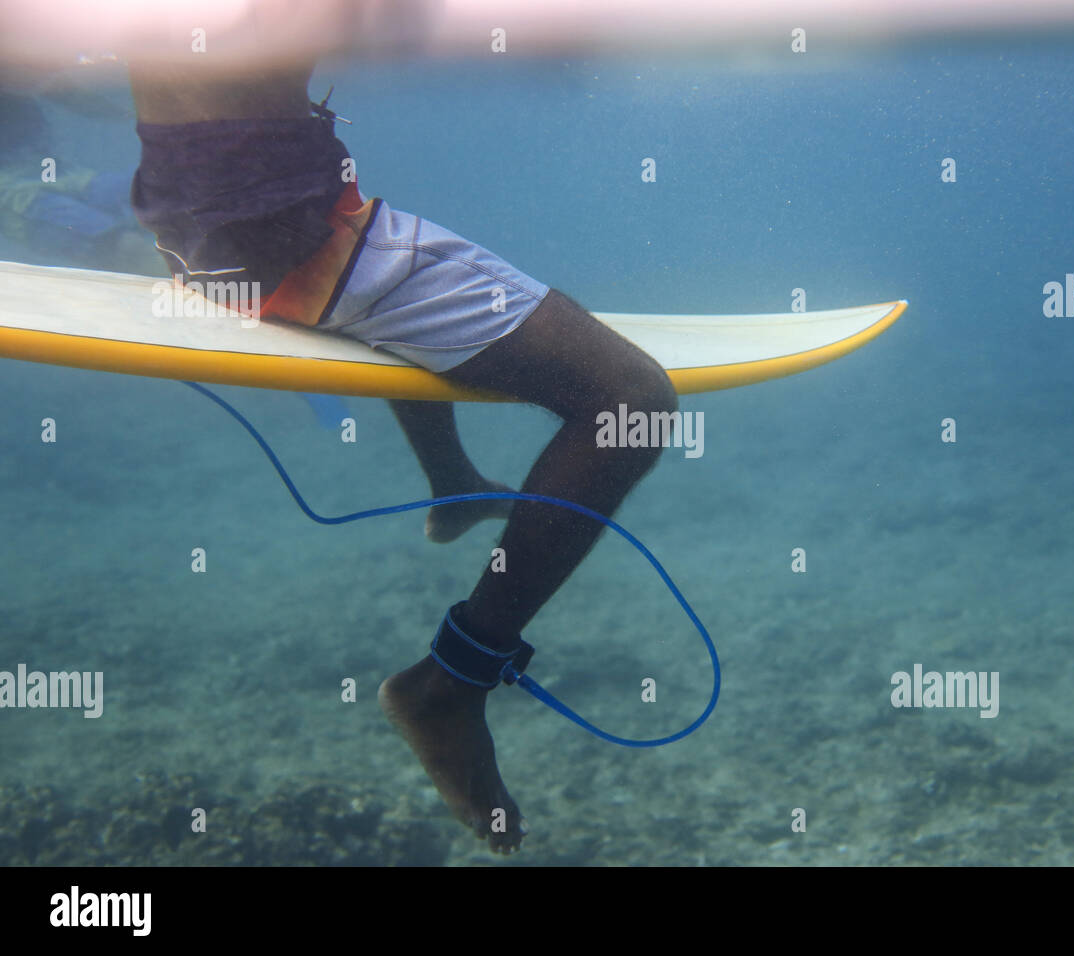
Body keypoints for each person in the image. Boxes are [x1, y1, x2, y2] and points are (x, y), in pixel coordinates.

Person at [127, 56, 677, 854]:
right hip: (291, 252)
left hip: (196, 243)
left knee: (407, 281)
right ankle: (452, 681)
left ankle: (452, 484)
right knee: (631, 399)